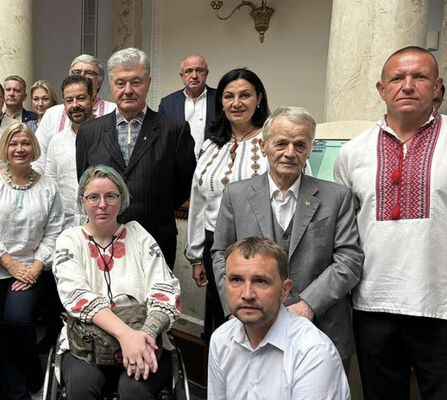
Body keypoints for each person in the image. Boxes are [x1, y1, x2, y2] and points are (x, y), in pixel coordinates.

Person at [334, 46, 447, 400]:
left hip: (440, 304)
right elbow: (344, 230)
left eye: (420, 77)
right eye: (398, 78)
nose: (408, 85)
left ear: (438, 88)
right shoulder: (353, 152)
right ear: (382, 89)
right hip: (373, 305)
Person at [211, 106, 364, 360]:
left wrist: (309, 305)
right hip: (252, 327)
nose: (290, 153)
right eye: (281, 143)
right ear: (264, 146)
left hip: (321, 329)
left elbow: (349, 259)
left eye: (300, 145)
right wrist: (235, 307)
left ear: (311, 149)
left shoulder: (337, 197)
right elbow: (220, 255)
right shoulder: (235, 195)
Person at [53, 165, 181, 400]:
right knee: (80, 390)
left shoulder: (139, 235)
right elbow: (77, 296)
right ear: (82, 201)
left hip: (145, 336)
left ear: (122, 199)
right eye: (93, 197)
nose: (102, 204)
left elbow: (165, 291)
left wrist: (143, 337)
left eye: (111, 196)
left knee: (135, 393)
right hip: (86, 344)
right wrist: (126, 336)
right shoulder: (69, 240)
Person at [0, 122, 63, 400]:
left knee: (17, 321)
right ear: (5, 149)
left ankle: (35, 379)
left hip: (34, 270)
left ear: (33, 147)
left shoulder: (48, 185)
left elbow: (55, 230)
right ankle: (22, 397)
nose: (19, 149)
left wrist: (34, 268)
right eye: (13, 144)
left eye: (24, 143)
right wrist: (11, 264)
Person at [76, 47, 195, 269]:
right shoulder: (89, 133)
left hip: (156, 238)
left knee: (154, 302)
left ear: (148, 83)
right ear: (111, 85)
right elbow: (84, 182)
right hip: (102, 240)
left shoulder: (174, 130)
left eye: (136, 82)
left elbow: (184, 184)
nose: (128, 90)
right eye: (120, 83)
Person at [208, 237, 350, 400]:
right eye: (236, 280)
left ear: (284, 290)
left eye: (260, 281)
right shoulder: (221, 339)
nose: (247, 294)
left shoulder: (313, 353)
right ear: (225, 284)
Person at [185, 68, 271, 337]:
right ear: (220, 102)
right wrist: (196, 256)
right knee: (221, 321)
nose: (236, 103)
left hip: (260, 246)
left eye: (245, 95)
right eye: (228, 96)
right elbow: (198, 202)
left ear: (258, 98)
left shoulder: (273, 142)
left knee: (255, 321)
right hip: (216, 248)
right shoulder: (211, 146)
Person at [34, 54, 117, 174]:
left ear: (99, 82)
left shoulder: (113, 111)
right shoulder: (52, 114)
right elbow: (39, 158)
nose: (82, 76)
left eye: (89, 72)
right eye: (76, 72)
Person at [45, 75, 95, 229]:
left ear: (93, 99)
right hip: (64, 227)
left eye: (81, 98)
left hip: (99, 224)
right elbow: (50, 184)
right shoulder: (57, 141)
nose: (75, 105)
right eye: (69, 100)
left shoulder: (108, 136)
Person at [158, 54, 217, 158]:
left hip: (213, 165)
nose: (194, 76)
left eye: (199, 70)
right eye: (188, 71)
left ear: (206, 73)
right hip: (178, 169)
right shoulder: (167, 104)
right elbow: (161, 139)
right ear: (182, 75)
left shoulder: (221, 99)